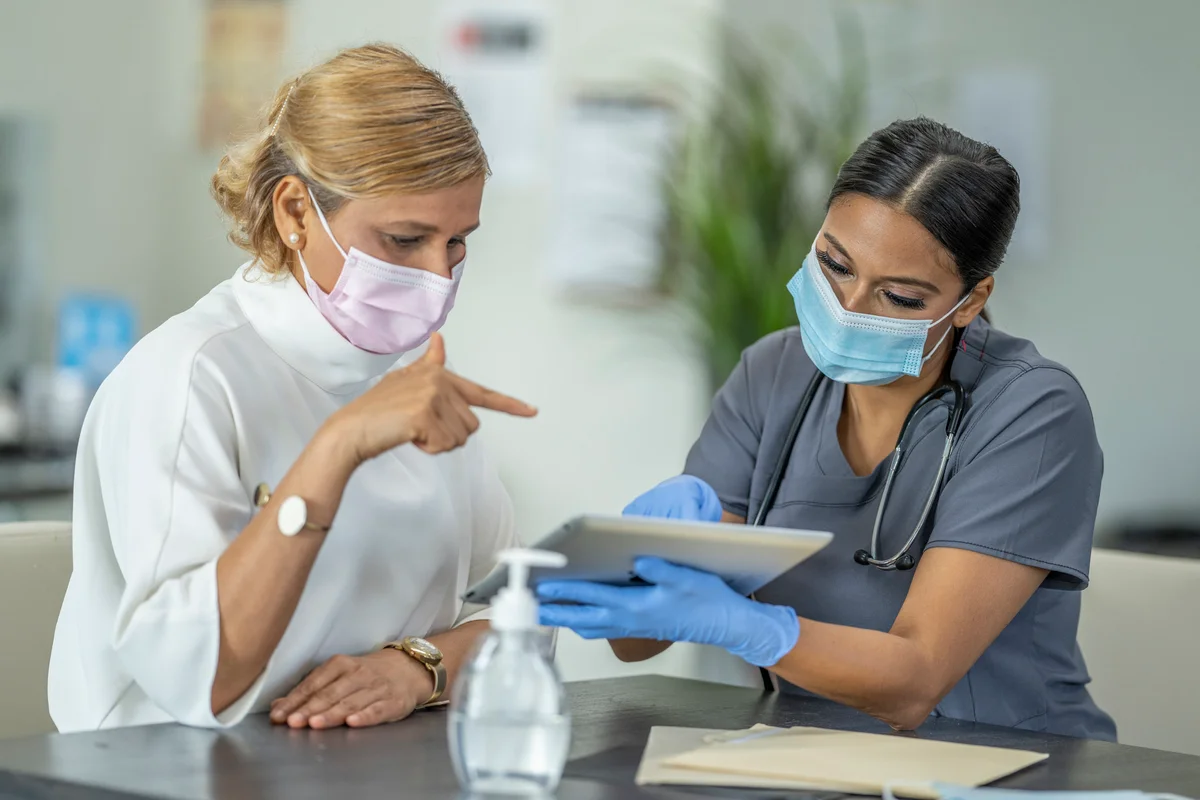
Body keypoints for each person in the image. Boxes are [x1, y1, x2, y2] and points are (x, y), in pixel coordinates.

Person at [538, 117, 1117, 740]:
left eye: (899, 298)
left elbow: (915, 682)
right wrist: (633, 564)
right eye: (836, 265)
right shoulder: (774, 372)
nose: (850, 307)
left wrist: (744, 625)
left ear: (971, 301)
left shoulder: (1032, 410)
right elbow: (635, 645)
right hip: (810, 754)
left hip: (1004, 766)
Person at [48, 43, 537, 733]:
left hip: (364, 769)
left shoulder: (407, 380)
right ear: (295, 213)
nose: (437, 275)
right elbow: (198, 678)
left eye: (457, 243)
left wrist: (417, 667)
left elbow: (525, 619)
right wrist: (338, 447)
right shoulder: (189, 376)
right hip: (161, 770)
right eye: (404, 240)